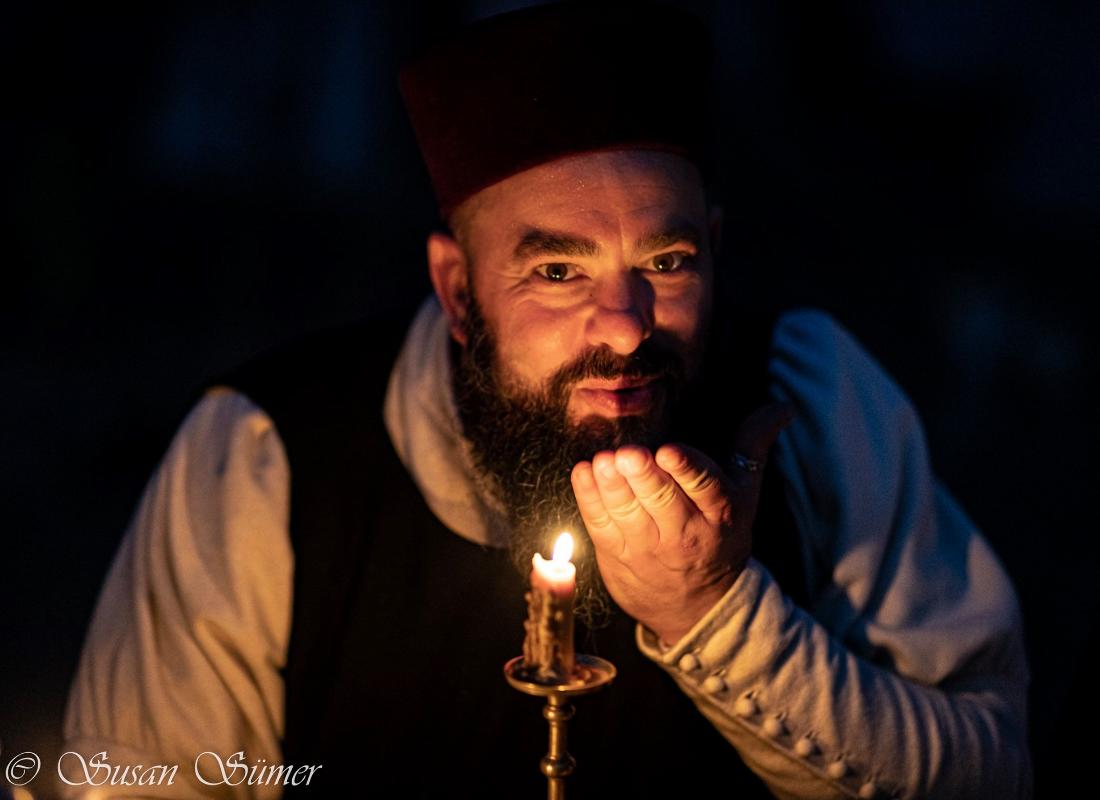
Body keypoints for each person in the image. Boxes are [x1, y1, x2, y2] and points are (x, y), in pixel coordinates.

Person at [62, 4, 1031, 798]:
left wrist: (716, 615)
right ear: (457, 291)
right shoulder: (267, 453)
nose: (626, 326)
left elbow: (988, 771)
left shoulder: (810, 395)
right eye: (559, 271)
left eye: (666, 261)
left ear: (715, 247)